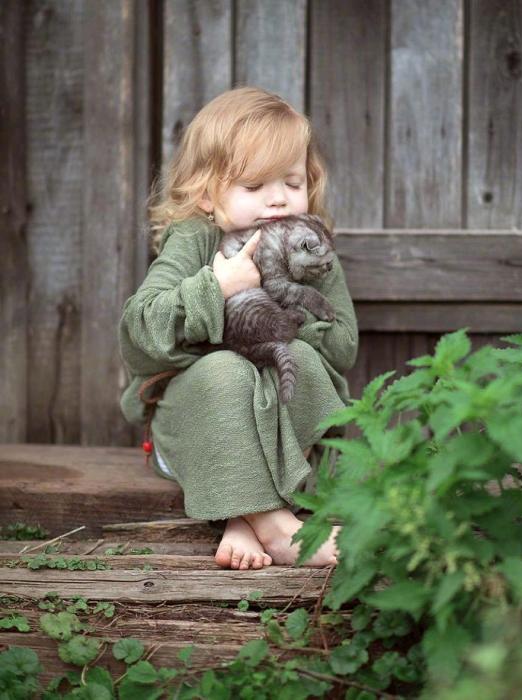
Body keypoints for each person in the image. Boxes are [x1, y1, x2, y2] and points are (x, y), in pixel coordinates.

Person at [118, 86, 359, 571]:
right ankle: (275, 523)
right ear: (207, 194)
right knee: (226, 370)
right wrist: (218, 287)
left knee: (303, 362)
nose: (278, 201)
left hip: (286, 433)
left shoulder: (309, 248)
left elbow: (343, 347)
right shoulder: (193, 240)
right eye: (254, 187)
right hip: (194, 427)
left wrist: (282, 303)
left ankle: (240, 517)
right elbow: (139, 332)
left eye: (292, 183)